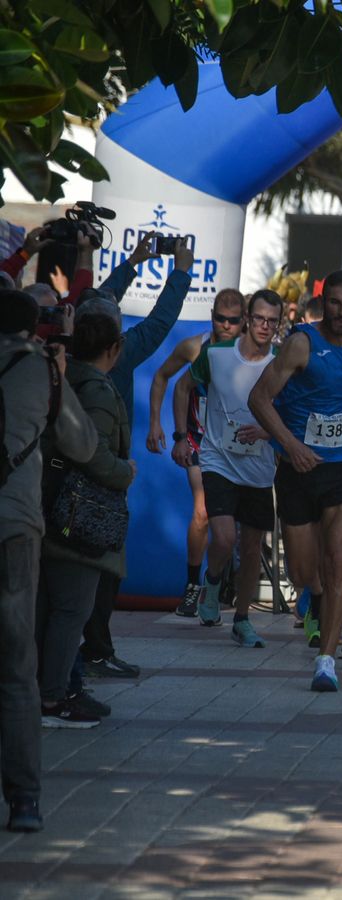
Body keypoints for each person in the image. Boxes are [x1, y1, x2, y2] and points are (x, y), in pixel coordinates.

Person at [249, 270, 342, 692]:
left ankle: (327, 658)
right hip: (298, 468)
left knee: (340, 559)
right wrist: (290, 445)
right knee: (309, 572)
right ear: (323, 302)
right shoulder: (302, 344)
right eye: (335, 303)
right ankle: (317, 601)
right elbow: (259, 398)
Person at [75, 238, 195, 681]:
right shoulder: (117, 357)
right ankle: (95, 651)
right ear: (112, 338)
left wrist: (131, 264)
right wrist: (181, 270)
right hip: (103, 481)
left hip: (56, 480)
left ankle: (74, 652)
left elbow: (94, 303)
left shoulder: (65, 351)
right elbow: (161, 321)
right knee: (106, 568)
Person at [0, 290, 97, 833]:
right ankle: (25, 801)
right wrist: (58, 369)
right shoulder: (41, 369)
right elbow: (81, 445)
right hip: (14, 527)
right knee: (17, 671)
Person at [37, 311, 135, 731]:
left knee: (51, 609)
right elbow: (89, 451)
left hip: (51, 506)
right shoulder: (94, 387)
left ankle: (55, 688)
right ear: (114, 349)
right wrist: (123, 471)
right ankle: (53, 697)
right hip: (79, 517)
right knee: (71, 610)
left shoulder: (62, 374)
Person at [180, 289, 283, 648]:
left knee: (253, 547)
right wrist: (181, 436)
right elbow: (183, 385)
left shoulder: (282, 360)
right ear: (247, 320)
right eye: (258, 319)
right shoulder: (216, 354)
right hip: (218, 458)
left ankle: (242, 619)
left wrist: (269, 430)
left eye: (272, 320)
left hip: (258, 466)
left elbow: (294, 411)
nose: (264, 326)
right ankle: (211, 582)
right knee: (224, 537)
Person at [144, 289, 245, 615]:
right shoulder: (194, 347)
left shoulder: (252, 352)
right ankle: (192, 585)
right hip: (202, 441)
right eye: (220, 318)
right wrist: (163, 428)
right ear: (211, 315)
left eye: (233, 320)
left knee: (235, 522)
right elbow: (162, 377)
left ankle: (221, 581)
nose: (226, 326)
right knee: (202, 513)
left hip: (240, 444)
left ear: (243, 321)